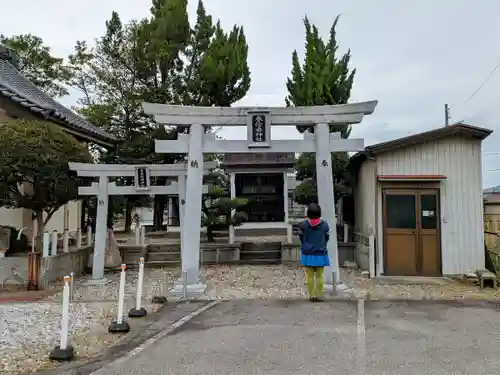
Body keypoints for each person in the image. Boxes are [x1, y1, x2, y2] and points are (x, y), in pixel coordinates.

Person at [298, 203, 330, 301]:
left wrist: (306, 245)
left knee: (310, 276)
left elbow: (301, 238)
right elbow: (327, 237)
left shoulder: (303, 225)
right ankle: (319, 295)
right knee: (320, 275)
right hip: (320, 252)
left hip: (308, 253)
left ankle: (311, 296)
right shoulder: (324, 225)